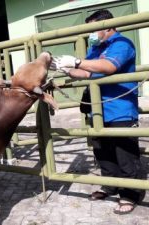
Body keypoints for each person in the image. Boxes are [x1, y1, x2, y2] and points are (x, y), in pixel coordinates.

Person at [51, 9, 145, 215]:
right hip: (97, 109)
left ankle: (130, 194)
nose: (91, 34)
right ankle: (109, 184)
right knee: (102, 150)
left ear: (108, 27)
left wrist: (76, 61)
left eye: (94, 29)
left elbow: (108, 67)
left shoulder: (122, 44)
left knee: (125, 154)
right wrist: (65, 68)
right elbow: (85, 71)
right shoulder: (97, 48)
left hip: (119, 108)